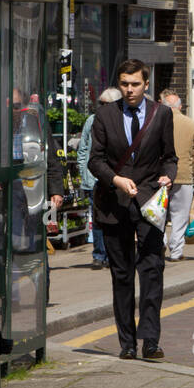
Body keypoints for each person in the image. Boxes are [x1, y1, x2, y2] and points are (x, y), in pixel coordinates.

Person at [87, 59, 178, 361]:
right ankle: (127, 342)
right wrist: (115, 179)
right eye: (124, 84)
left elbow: (170, 156)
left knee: (152, 271)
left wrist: (169, 175)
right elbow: (95, 160)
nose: (129, 90)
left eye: (135, 84)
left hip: (150, 203)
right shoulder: (104, 115)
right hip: (115, 203)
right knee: (122, 275)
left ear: (146, 84)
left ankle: (150, 340)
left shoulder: (161, 114)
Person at [77, 87, 123, 269]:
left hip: (114, 179)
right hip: (93, 178)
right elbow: (83, 149)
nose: (102, 107)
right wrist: (83, 173)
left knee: (114, 217)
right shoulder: (91, 121)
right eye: (100, 104)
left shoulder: (120, 121)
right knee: (97, 219)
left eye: (106, 104)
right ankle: (99, 254)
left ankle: (113, 255)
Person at [160, 90, 194, 260]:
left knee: (158, 214)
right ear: (179, 106)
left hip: (160, 176)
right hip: (184, 175)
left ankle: (160, 243)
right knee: (180, 216)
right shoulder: (191, 124)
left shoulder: (155, 122)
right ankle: (176, 251)